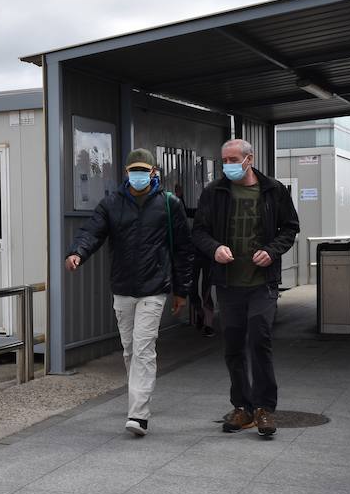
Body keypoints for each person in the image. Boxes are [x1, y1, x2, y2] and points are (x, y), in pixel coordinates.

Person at [66, 148, 193, 437]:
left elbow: (184, 250)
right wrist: (77, 252)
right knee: (130, 350)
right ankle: (138, 397)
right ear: (126, 173)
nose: (138, 175)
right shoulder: (112, 203)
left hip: (153, 288)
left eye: (143, 170)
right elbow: (92, 231)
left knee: (144, 348)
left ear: (153, 172)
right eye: (133, 170)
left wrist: (181, 290)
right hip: (123, 288)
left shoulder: (169, 204)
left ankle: (138, 414)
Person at [192, 138, 300, 438]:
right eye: (223, 159)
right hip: (228, 283)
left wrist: (272, 250)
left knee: (259, 339)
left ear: (248, 159)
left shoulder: (273, 190)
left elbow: (290, 227)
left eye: (232, 159)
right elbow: (199, 231)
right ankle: (242, 406)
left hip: (262, 283)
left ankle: (265, 408)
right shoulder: (214, 192)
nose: (227, 165)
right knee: (234, 346)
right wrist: (214, 249)